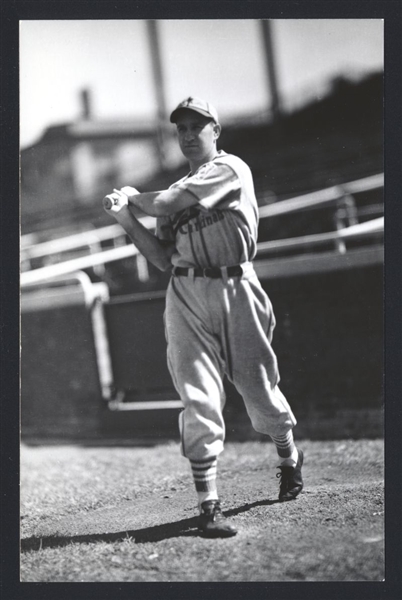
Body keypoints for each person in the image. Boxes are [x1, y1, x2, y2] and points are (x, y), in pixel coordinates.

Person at [104, 96, 303, 538]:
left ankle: (288, 456)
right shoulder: (175, 188)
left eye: (198, 126)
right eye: (182, 129)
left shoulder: (230, 169)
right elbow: (159, 258)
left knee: (259, 393)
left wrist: (135, 199)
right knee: (197, 396)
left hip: (236, 286)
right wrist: (124, 218)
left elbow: (167, 202)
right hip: (186, 290)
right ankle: (208, 504)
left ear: (216, 131)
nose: (189, 135)